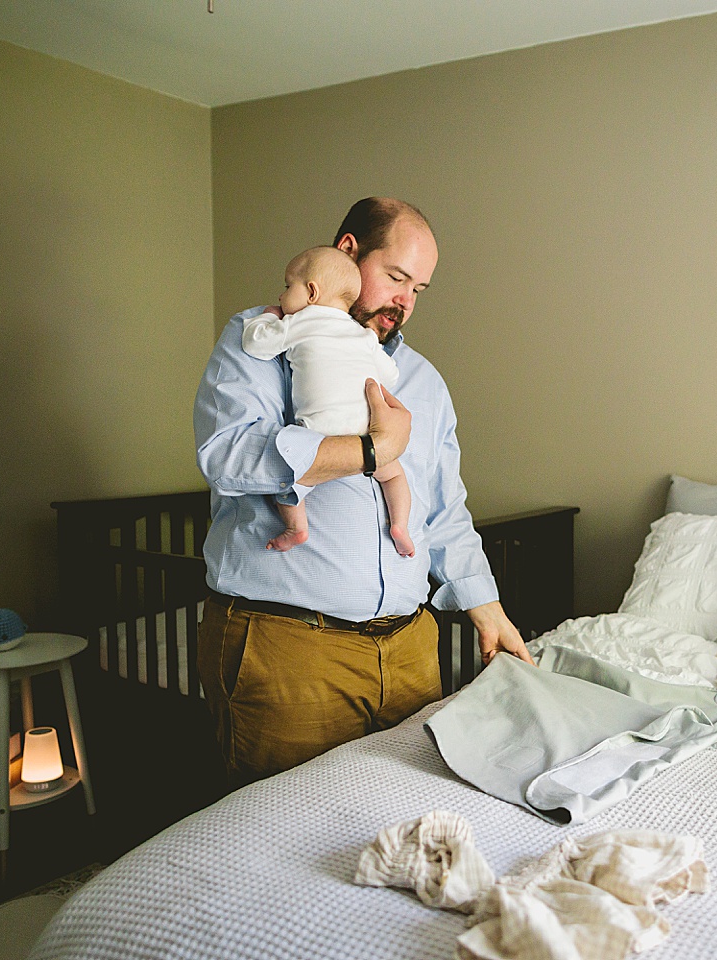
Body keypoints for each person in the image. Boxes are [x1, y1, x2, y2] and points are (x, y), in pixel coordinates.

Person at [193, 197, 533, 785]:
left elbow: (444, 509)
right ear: (349, 251)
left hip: (411, 650)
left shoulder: (421, 380)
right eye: (397, 277)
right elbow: (227, 458)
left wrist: (487, 606)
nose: (405, 301)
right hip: (291, 649)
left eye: (419, 289)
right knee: (284, 840)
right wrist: (374, 451)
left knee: (400, 827)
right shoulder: (264, 337)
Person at [242, 245, 415, 558]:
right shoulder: (363, 335)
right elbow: (390, 374)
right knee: (394, 475)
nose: (282, 296)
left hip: (320, 435)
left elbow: (257, 344)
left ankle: (297, 528)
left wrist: (269, 317)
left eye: (286, 287)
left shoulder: (300, 323)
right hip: (368, 432)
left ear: (311, 292)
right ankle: (400, 525)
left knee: (288, 482)